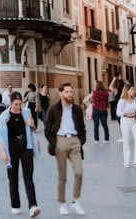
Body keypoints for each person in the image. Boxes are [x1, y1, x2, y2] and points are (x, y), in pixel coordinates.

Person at [44, 82, 86, 216]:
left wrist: (80, 141)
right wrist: (54, 143)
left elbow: (82, 128)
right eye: (67, 92)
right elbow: (47, 130)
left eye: (71, 92)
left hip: (74, 141)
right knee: (62, 176)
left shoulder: (77, 109)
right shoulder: (53, 109)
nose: (70, 94)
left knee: (79, 172)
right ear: (60, 93)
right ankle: (62, 203)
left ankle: (75, 200)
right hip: (60, 141)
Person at [0, 91, 41, 217]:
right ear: (10, 103)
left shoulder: (26, 112)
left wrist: (31, 125)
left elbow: (33, 129)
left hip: (26, 146)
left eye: (20, 104)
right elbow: (0, 136)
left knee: (28, 176)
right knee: (13, 178)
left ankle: (33, 205)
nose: (18, 107)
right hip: (11, 147)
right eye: (16, 104)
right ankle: (15, 205)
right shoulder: (5, 116)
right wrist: (3, 152)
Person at [116, 83, 136, 168]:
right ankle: (126, 161)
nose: (133, 91)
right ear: (126, 91)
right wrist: (127, 112)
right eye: (131, 90)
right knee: (126, 141)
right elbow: (118, 113)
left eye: (133, 90)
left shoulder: (135, 100)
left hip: (134, 120)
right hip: (125, 120)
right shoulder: (122, 101)